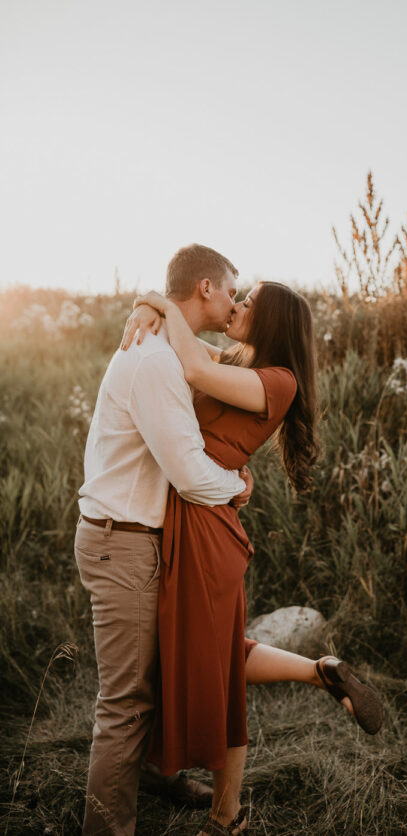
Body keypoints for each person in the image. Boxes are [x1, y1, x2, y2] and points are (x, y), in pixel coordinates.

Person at [122, 280, 384, 836]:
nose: (236, 306)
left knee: (219, 674)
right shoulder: (241, 363)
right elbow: (181, 345)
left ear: (272, 322)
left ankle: (227, 816)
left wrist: (159, 301)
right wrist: (148, 307)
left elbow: (193, 368)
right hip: (194, 518)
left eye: (249, 303)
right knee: (212, 654)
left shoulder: (278, 380)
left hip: (205, 531)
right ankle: (321, 673)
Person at [75, 245, 254, 836]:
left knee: (159, 674)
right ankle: (107, 828)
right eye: (231, 291)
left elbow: (218, 364)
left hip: (138, 538)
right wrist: (237, 486)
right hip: (123, 542)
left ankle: (158, 775)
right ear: (206, 288)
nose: (234, 302)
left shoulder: (170, 347)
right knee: (126, 703)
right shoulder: (154, 361)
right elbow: (189, 473)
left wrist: (151, 301)